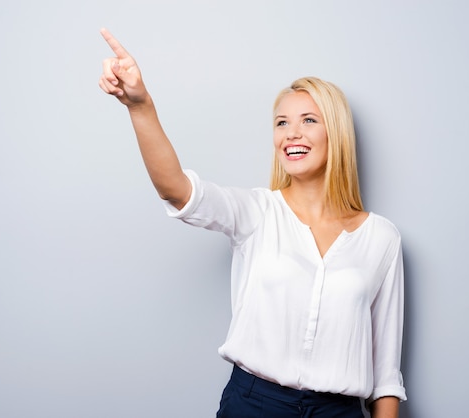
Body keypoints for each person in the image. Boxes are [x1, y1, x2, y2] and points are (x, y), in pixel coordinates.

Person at [98, 28, 406, 418]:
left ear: (337, 134)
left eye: (308, 120)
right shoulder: (256, 212)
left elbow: (385, 377)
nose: (291, 133)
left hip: (339, 411)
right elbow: (177, 191)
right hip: (254, 405)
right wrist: (139, 106)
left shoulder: (381, 237)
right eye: (281, 123)